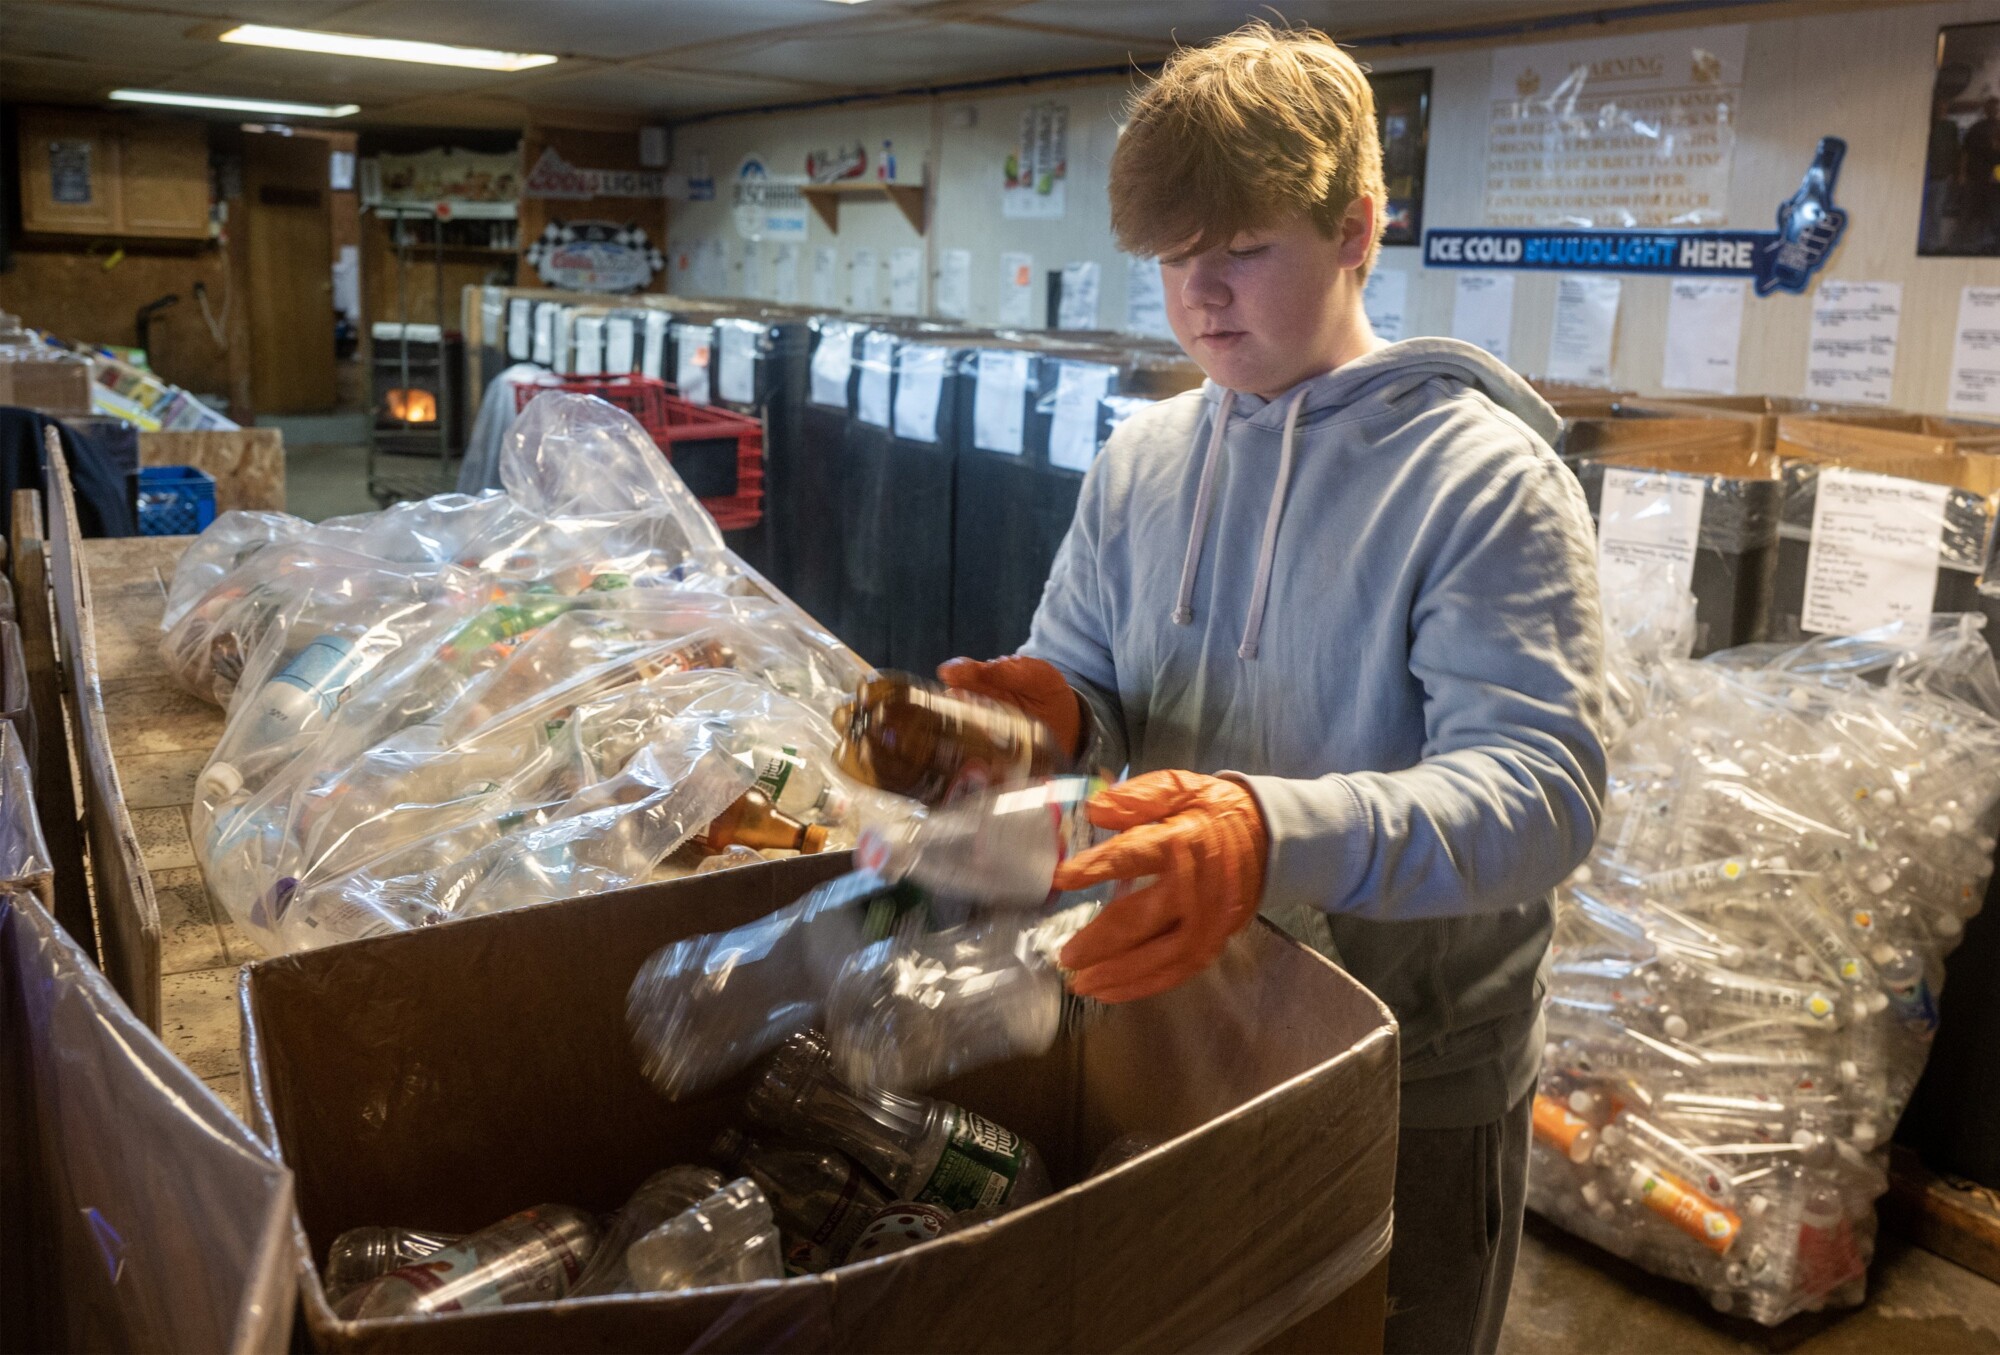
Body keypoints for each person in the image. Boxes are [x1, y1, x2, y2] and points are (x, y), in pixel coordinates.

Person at [938, 23, 1606, 1355]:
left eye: (1241, 249)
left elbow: (1542, 796)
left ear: (1358, 227)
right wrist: (1051, 719)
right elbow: (1091, 676)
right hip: (1176, 1022)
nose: (1200, 298)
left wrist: (1267, 833)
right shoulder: (1143, 461)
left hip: (1409, 1071)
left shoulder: (1482, 481)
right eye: (1171, 260)